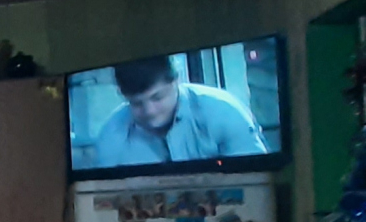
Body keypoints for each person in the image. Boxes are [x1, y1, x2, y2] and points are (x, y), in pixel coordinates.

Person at [92, 55, 267, 166]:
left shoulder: (223, 111)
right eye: (136, 103)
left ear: (177, 81)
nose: (149, 111)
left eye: (157, 98)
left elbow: (257, 175)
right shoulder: (111, 137)